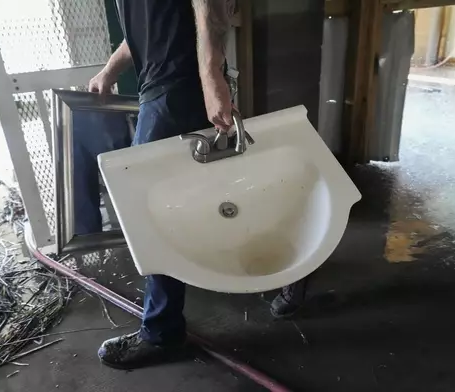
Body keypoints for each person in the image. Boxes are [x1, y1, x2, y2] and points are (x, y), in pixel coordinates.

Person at [89, 0, 307, 369]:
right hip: (167, 87)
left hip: (175, 88)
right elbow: (149, 29)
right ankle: (295, 265)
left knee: (148, 212)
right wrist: (110, 69)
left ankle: (162, 334)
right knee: (219, 194)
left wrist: (211, 76)